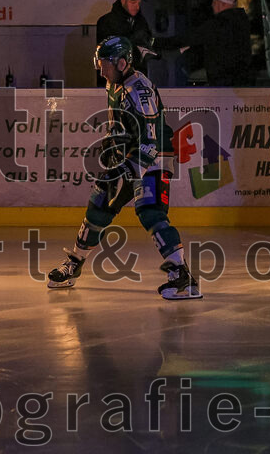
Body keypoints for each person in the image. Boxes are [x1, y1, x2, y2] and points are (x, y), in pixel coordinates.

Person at [46, 36, 202, 300]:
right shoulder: (115, 84)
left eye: (105, 63)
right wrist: (113, 143)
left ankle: (183, 278)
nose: (100, 69)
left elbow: (150, 139)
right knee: (99, 205)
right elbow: (123, 125)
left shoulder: (138, 89)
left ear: (121, 62)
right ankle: (75, 262)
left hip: (153, 156)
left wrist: (130, 170)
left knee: (150, 211)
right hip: (130, 155)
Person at [153, 0, 254, 86]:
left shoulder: (217, 25)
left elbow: (186, 39)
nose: (212, 5)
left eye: (214, 2)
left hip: (223, 84)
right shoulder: (242, 24)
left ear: (221, 3)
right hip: (242, 83)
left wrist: (153, 42)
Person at [95, 0, 155, 68]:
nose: (137, 7)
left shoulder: (141, 21)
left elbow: (149, 41)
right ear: (123, 1)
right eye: (133, 3)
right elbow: (106, 51)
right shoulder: (106, 21)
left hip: (138, 74)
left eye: (139, 3)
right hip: (117, 75)